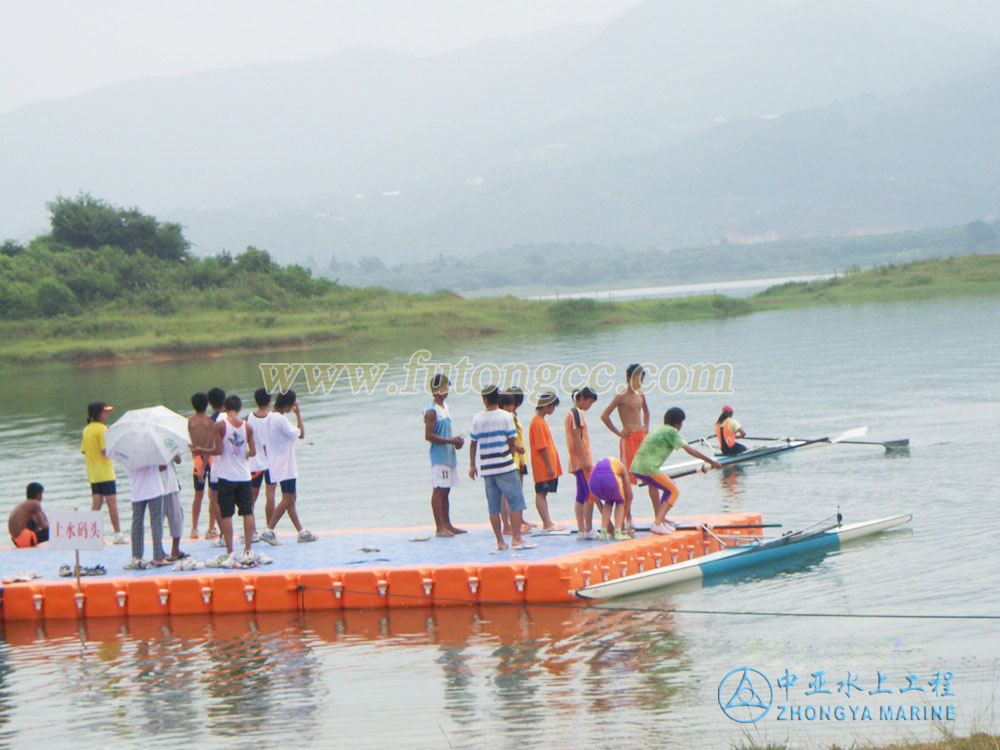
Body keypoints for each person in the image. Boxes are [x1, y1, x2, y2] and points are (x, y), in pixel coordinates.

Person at [629, 407, 721, 534]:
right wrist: (711, 462)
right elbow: (690, 450)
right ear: (678, 423)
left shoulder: (660, 429)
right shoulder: (672, 432)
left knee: (668, 487)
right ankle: (657, 524)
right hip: (647, 468)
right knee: (673, 490)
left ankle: (661, 520)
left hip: (637, 467)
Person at [468, 385, 534, 551]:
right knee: (516, 502)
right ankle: (516, 539)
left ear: (484, 400)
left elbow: (473, 443)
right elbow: (511, 441)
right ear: (497, 399)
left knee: (493, 507)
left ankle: (500, 542)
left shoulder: (477, 418)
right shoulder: (505, 417)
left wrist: (472, 465)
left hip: (487, 468)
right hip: (505, 466)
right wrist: (511, 455)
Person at [259, 390, 317, 544]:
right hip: (286, 465)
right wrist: (298, 414)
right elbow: (301, 434)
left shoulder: (268, 418)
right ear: (288, 405)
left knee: (291, 498)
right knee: (288, 498)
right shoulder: (280, 420)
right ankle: (269, 529)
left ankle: (300, 531)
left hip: (275, 463)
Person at [599, 364, 654, 528]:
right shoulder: (620, 396)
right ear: (628, 378)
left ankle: (659, 516)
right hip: (628, 439)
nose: (640, 382)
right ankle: (627, 517)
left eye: (642, 379)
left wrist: (646, 427)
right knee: (626, 478)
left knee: (652, 475)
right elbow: (604, 416)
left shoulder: (641, 394)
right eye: (637, 379)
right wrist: (619, 432)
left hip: (641, 437)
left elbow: (646, 411)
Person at [207, 394, 258, 565]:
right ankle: (248, 548)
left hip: (226, 476)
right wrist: (245, 453)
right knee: (247, 511)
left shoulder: (220, 425)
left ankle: (230, 550)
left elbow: (219, 450)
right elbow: (253, 452)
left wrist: (202, 449)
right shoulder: (247, 427)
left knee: (226, 513)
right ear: (240, 408)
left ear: (225, 408)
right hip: (243, 475)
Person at [423, 374, 465, 537]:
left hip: (448, 454)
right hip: (439, 456)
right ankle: (439, 527)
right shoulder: (431, 411)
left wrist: (455, 442)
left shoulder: (445, 408)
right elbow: (429, 435)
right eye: (446, 387)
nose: (448, 390)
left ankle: (447, 524)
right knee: (439, 490)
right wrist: (449, 440)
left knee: (446, 490)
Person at [81, 401, 126, 544]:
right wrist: (119, 451)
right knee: (112, 503)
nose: (107, 414)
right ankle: (118, 534)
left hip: (93, 474)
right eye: (105, 411)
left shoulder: (87, 429)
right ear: (98, 414)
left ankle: (93, 535)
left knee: (97, 503)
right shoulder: (102, 429)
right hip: (105, 473)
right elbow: (105, 451)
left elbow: (84, 450)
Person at [565, 387, 599, 539]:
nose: (589, 406)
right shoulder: (576, 413)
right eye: (589, 402)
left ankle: (581, 529)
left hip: (575, 460)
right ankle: (588, 529)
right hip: (581, 460)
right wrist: (585, 459)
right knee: (589, 495)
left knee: (581, 494)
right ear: (583, 398)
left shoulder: (570, 413)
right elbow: (577, 437)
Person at [528, 392, 564, 532]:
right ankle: (546, 523)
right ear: (546, 406)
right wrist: (549, 466)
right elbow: (541, 446)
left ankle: (548, 521)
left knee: (544, 493)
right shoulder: (537, 422)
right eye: (552, 407)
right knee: (541, 492)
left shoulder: (541, 421)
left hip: (546, 464)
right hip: (542, 465)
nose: (553, 410)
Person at [499, 391, 532, 536]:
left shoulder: (511, 416)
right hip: (513, 458)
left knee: (513, 493)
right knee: (509, 494)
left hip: (517, 458)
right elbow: (510, 438)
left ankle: (515, 521)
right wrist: (517, 449)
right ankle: (510, 524)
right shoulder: (508, 417)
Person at [124, 463, 169, 569]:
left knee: (137, 522)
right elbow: (163, 467)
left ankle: (136, 557)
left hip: (137, 490)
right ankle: (158, 556)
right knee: (156, 523)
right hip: (154, 489)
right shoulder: (151, 450)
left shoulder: (128, 453)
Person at [247, 387, 277, 539]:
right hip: (271, 461)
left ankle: (251, 530)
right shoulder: (273, 417)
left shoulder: (248, 418)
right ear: (269, 401)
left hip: (254, 462)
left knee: (252, 498)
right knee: (270, 495)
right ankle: (269, 529)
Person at [187, 392, 216, 539]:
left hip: (197, 459)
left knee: (198, 495)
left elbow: (189, 442)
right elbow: (211, 443)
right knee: (213, 495)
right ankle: (211, 528)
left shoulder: (190, 421)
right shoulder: (211, 421)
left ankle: (194, 528)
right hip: (210, 458)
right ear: (207, 404)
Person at [587, 458, 632, 541]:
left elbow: (596, 499)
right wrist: (622, 521)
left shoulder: (603, 463)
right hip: (609, 477)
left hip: (593, 481)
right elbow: (629, 495)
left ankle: (603, 532)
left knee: (608, 502)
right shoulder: (623, 467)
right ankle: (618, 532)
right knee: (620, 501)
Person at [203, 386, 227, 541]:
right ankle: (250, 533)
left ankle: (224, 534)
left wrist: (202, 468)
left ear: (210, 403)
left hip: (218, 467)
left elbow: (208, 446)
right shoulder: (234, 419)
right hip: (237, 467)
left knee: (215, 499)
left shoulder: (211, 422)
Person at [159, 456, 187, 561]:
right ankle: (159, 550)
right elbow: (159, 467)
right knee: (158, 521)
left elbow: (178, 460)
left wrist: (173, 454)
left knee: (177, 518)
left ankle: (175, 549)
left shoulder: (170, 441)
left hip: (172, 485)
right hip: (157, 487)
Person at [9, 482, 48, 547]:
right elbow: (43, 526)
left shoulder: (25, 505)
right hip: (25, 540)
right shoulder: (35, 504)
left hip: (16, 540)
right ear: (38, 494)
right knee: (53, 531)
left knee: (33, 520)